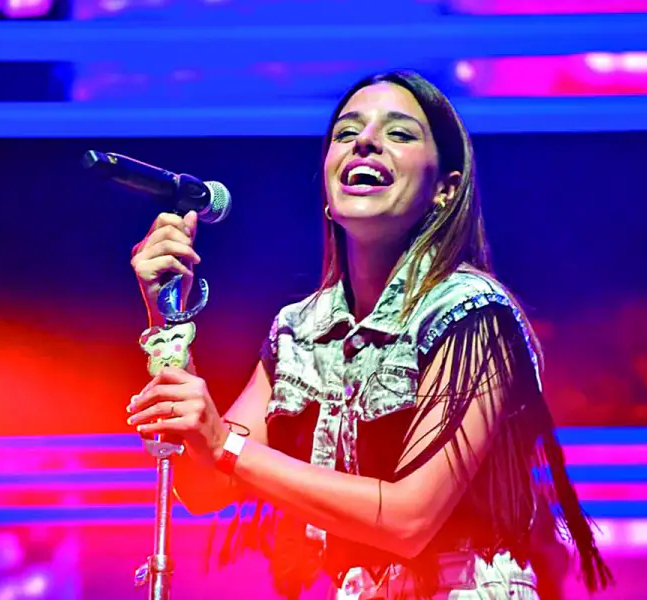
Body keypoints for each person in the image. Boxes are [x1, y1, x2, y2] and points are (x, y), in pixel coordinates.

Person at [126, 70, 610, 599]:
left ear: (445, 190)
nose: (365, 141)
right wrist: (165, 316)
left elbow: (409, 519)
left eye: (399, 133)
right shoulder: (299, 328)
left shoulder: (473, 313)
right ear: (330, 190)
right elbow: (205, 486)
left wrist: (223, 442)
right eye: (345, 132)